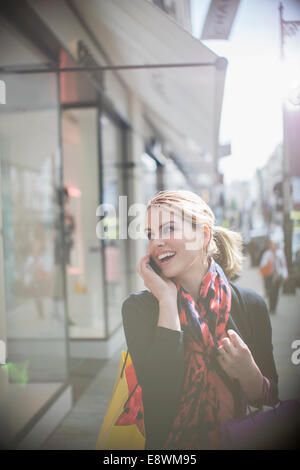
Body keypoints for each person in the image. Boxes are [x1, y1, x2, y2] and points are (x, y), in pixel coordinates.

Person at [121, 190, 279, 450]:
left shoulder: (251, 306)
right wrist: (167, 302)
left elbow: (271, 398)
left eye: (168, 228)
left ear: (203, 236)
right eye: (150, 234)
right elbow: (159, 394)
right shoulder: (139, 310)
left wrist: (250, 375)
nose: (156, 242)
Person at [259, 239, 288, 314]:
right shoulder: (267, 254)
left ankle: (274, 307)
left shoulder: (280, 254)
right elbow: (262, 264)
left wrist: (285, 275)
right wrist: (267, 261)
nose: (273, 247)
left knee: (276, 292)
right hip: (269, 276)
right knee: (271, 292)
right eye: (272, 245)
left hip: (278, 275)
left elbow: (284, 265)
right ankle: (271, 307)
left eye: (275, 245)